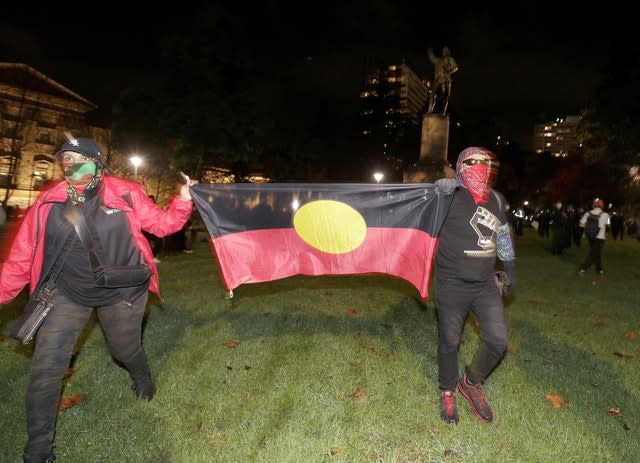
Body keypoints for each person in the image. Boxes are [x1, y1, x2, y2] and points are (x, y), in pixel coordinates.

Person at [0, 137, 196, 463]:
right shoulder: (48, 201)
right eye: (65, 159)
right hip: (66, 291)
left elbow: (163, 226)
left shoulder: (126, 191)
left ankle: (140, 372)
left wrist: (183, 199)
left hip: (122, 289)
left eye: (78, 157)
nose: (70, 163)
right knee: (46, 369)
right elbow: (22, 256)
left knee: (123, 349)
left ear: (96, 161)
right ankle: (38, 450)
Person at [434, 147, 517, 425]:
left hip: (484, 284)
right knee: (449, 341)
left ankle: (470, 382)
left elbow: (503, 237)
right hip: (451, 283)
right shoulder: (447, 197)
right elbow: (416, 217)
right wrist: (435, 190)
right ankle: (447, 390)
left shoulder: (495, 198)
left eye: (487, 162)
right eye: (472, 161)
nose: (480, 166)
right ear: (460, 166)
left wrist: (510, 272)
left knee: (497, 340)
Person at [577, 198, 610, 276]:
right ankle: (582, 269)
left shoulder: (588, 213)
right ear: (602, 206)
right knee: (593, 254)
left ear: (593, 205)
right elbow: (608, 225)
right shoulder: (605, 214)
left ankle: (599, 269)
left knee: (597, 252)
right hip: (600, 237)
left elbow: (581, 224)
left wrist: (588, 227)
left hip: (590, 236)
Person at [427, 46, 459, 114]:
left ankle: (443, 112)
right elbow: (432, 58)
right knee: (432, 94)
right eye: (443, 50)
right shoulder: (438, 60)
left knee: (445, 96)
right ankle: (429, 111)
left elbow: (456, 67)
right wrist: (430, 51)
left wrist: (448, 71)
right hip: (438, 79)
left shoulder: (449, 58)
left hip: (446, 79)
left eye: (445, 50)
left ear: (447, 51)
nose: (443, 51)